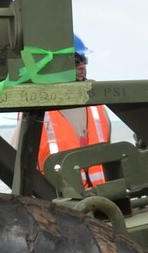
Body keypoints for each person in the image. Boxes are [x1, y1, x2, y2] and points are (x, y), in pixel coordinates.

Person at [36, 36, 113, 188]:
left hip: (102, 202)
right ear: (56, 65)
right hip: (56, 204)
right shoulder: (36, 112)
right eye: (75, 61)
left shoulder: (98, 108)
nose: (82, 66)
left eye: (84, 60)